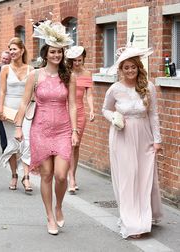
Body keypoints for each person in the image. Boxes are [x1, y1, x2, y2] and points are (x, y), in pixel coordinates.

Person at [15, 20, 79, 235]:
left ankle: (59, 206)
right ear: (46, 53)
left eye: (59, 52)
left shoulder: (69, 76)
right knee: (46, 174)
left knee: (61, 175)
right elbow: (24, 102)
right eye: (53, 52)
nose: (56, 56)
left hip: (62, 130)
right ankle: (49, 216)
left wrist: (74, 131)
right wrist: (18, 126)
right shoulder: (35, 75)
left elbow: (72, 104)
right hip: (40, 129)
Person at [102, 44, 163, 239]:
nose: (130, 70)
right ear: (120, 69)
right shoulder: (114, 89)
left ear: (139, 67)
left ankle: (145, 215)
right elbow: (105, 109)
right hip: (122, 137)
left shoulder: (148, 87)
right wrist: (114, 118)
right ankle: (132, 221)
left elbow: (153, 115)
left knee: (145, 177)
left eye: (133, 67)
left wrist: (157, 140)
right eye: (126, 67)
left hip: (144, 136)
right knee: (128, 178)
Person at [0, 37, 34, 192]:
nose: (11, 52)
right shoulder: (5, 69)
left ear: (22, 50)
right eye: (10, 49)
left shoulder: (31, 70)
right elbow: (2, 91)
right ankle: (14, 174)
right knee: (13, 144)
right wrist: (0, 109)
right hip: (9, 110)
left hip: (26, 109)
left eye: (14, 49)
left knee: (26, 142)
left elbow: (33, 92)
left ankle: (26, 177)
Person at [65, 46, 95, 193]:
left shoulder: (87, 73)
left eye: (80, 60)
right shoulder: (66, 73)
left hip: (80, 113)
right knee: (66, 145)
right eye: (74, 61)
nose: (77, 63)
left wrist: (92, 109)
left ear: (83, 59)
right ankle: (64, 173)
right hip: (65, 111)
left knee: (75, 145)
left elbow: (89, 94)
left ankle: (72, 176)